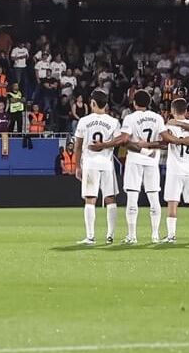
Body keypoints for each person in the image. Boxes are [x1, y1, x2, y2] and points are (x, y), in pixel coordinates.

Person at [71, 89, 128, 245]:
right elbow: (119, 141)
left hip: (90, 164)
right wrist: (106, 145)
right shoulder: (113, 121)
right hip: (107, 163)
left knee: (90, 199)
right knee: (110, 198)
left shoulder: (83, 121)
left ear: (93, 103)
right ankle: (110, 235)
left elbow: (78, 145)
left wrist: (77, 166)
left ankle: (90, 236)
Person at [154, 97, 189, 242]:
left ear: (172, 111)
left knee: (172, 202)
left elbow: (163, 142)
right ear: (186, 111)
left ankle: (171, 236)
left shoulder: (170, 126)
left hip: (174, 170)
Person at [117, 90, 166, 245]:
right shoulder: (158, 118)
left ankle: (132, 236)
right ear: (149, 102)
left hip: (135, 160)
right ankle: (155, 235)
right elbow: (164, 142)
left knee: (132, 198)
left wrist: (142, 148)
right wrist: (149, 148)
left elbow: (124, 141)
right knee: (154, 198)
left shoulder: (130, 118)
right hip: (152, 160)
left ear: (134, 103)